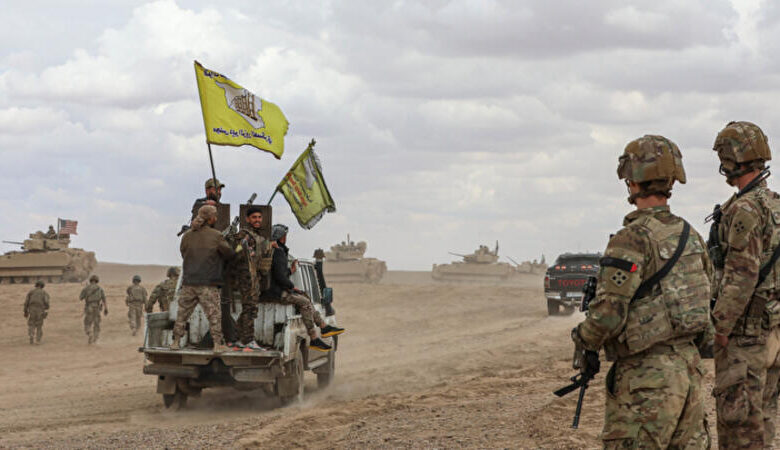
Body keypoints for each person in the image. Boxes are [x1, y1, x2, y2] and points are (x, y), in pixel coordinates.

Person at [571, 135, 712, 448]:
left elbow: (608, 316)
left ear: (631, 181)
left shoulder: (631, 238)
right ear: (671, 179)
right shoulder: (691, 236)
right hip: (689, 374)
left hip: (646, 380)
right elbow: (706, 301)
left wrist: (583, 338)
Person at [709, 121, 780, 447]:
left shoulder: (745, 210)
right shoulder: (775, 205)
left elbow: (742, 276)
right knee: (764, 421)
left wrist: (720, 328)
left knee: (739, 429)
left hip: (747, 336)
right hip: (773, 329)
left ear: (731, 159)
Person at [261, 224, 344, 352]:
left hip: (270, 290)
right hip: (275, 293)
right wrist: (291, 286)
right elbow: (280, 277)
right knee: (305, 302)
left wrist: (290, 271)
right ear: (283, 237)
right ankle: (315, 337)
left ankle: (323, 327)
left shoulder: (272, 252)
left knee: (305, 297)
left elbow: (277, 273)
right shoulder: (278, 252)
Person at [171, 205, 235, 352]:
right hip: (208, 283)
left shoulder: (187, 235)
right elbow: (229, 254)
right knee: (214, 315)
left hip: (188, 282)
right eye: (215, 216)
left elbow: (183, 253)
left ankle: (175, 342)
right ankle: (217, 344)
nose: (216, 218)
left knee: (182, 315)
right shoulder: (216, 236)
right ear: (211, 219)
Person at [227, 205, 274, 350]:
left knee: (249, 309)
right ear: (247, 219)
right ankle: (248, 340)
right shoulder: (243, 235)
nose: (257, 220)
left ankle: (237, 338)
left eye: (259, 217)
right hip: (246, 277)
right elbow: (235, 253)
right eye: (254, 217)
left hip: (254, 278)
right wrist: (243, 248)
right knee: (250, 308)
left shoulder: (257, 237)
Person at [80, 274, 108, 344]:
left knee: (87, 323)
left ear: (90, 280)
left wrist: (86, 292)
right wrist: (106, 308)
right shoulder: (100, 289)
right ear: (97, 281)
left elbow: (80, 298)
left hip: (89, 307)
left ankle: (90, 333)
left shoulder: (86, 288)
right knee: (97, 323)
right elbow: (104, 299)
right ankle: (95, 339)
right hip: (97, 308)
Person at [24, 280, 50, 344]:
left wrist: (25, 311)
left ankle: (31, 334)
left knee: (31, 323)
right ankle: (38, 340)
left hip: (31, 309)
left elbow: (26, 302)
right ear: (42, 286)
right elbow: (46, 302)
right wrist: (46, 308)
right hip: (40, 310)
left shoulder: (31, 292)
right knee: (39, 325)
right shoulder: (44, 293)